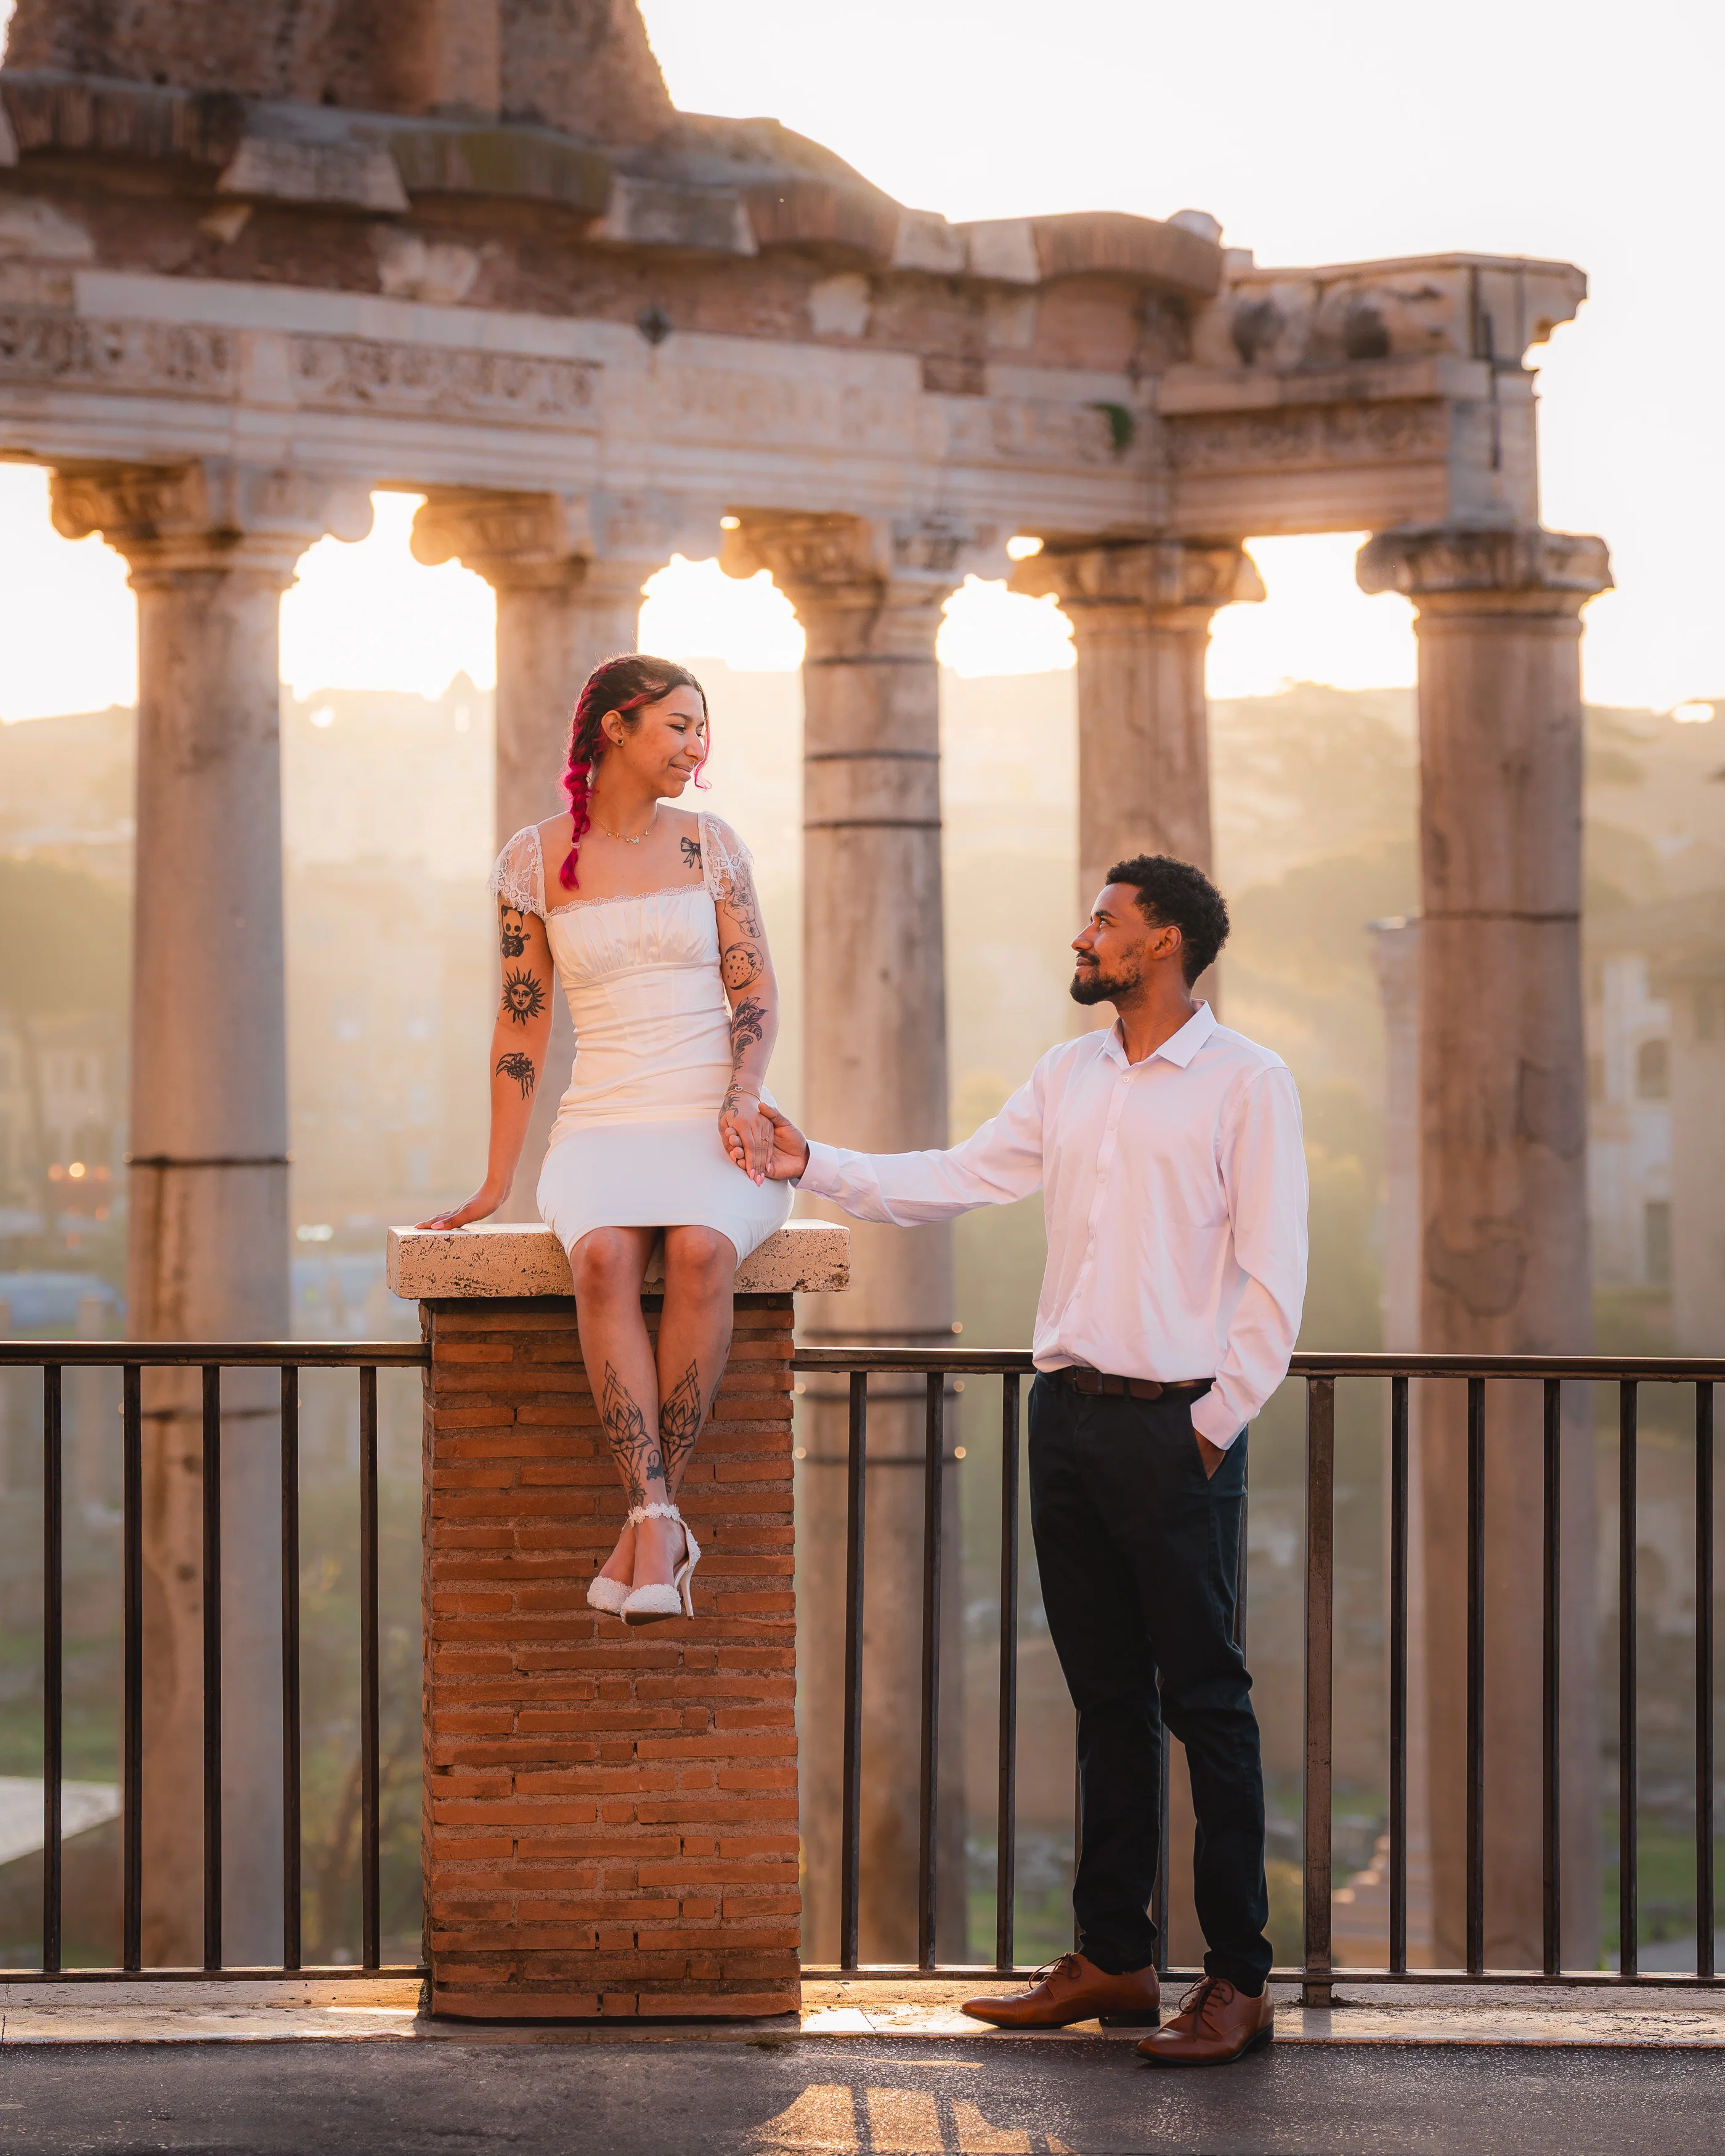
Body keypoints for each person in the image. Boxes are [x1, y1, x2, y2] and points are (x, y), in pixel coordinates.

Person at [760, 856, 1307, 2065]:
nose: (1083, 934)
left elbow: (1275, 1273)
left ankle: (1236, 1979)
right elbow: (956, 1178)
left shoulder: (1244, 1083)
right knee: (1106, 1699)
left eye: (1103, 920)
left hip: (1177, 1428)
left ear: (1160, 941)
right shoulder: (1068, 1075)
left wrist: (1213, 1421)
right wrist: (813, 1162)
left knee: (1207, 1704)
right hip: (1062, 1419)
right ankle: (1113, 1956)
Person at [420, 654, 789, 1622]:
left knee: (705, 1251)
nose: (697, 746)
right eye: (678, 725)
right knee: (603, 1259)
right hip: (602, 1120)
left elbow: (753, 990)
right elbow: (520, 1025)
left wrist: (745, 1093)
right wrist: (497, 1180)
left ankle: (653, 1519)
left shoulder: (711, 846)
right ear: (616, 728)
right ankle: (657, 1510)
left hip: (713, 1112)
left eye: (702, 728)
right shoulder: (533, 862)